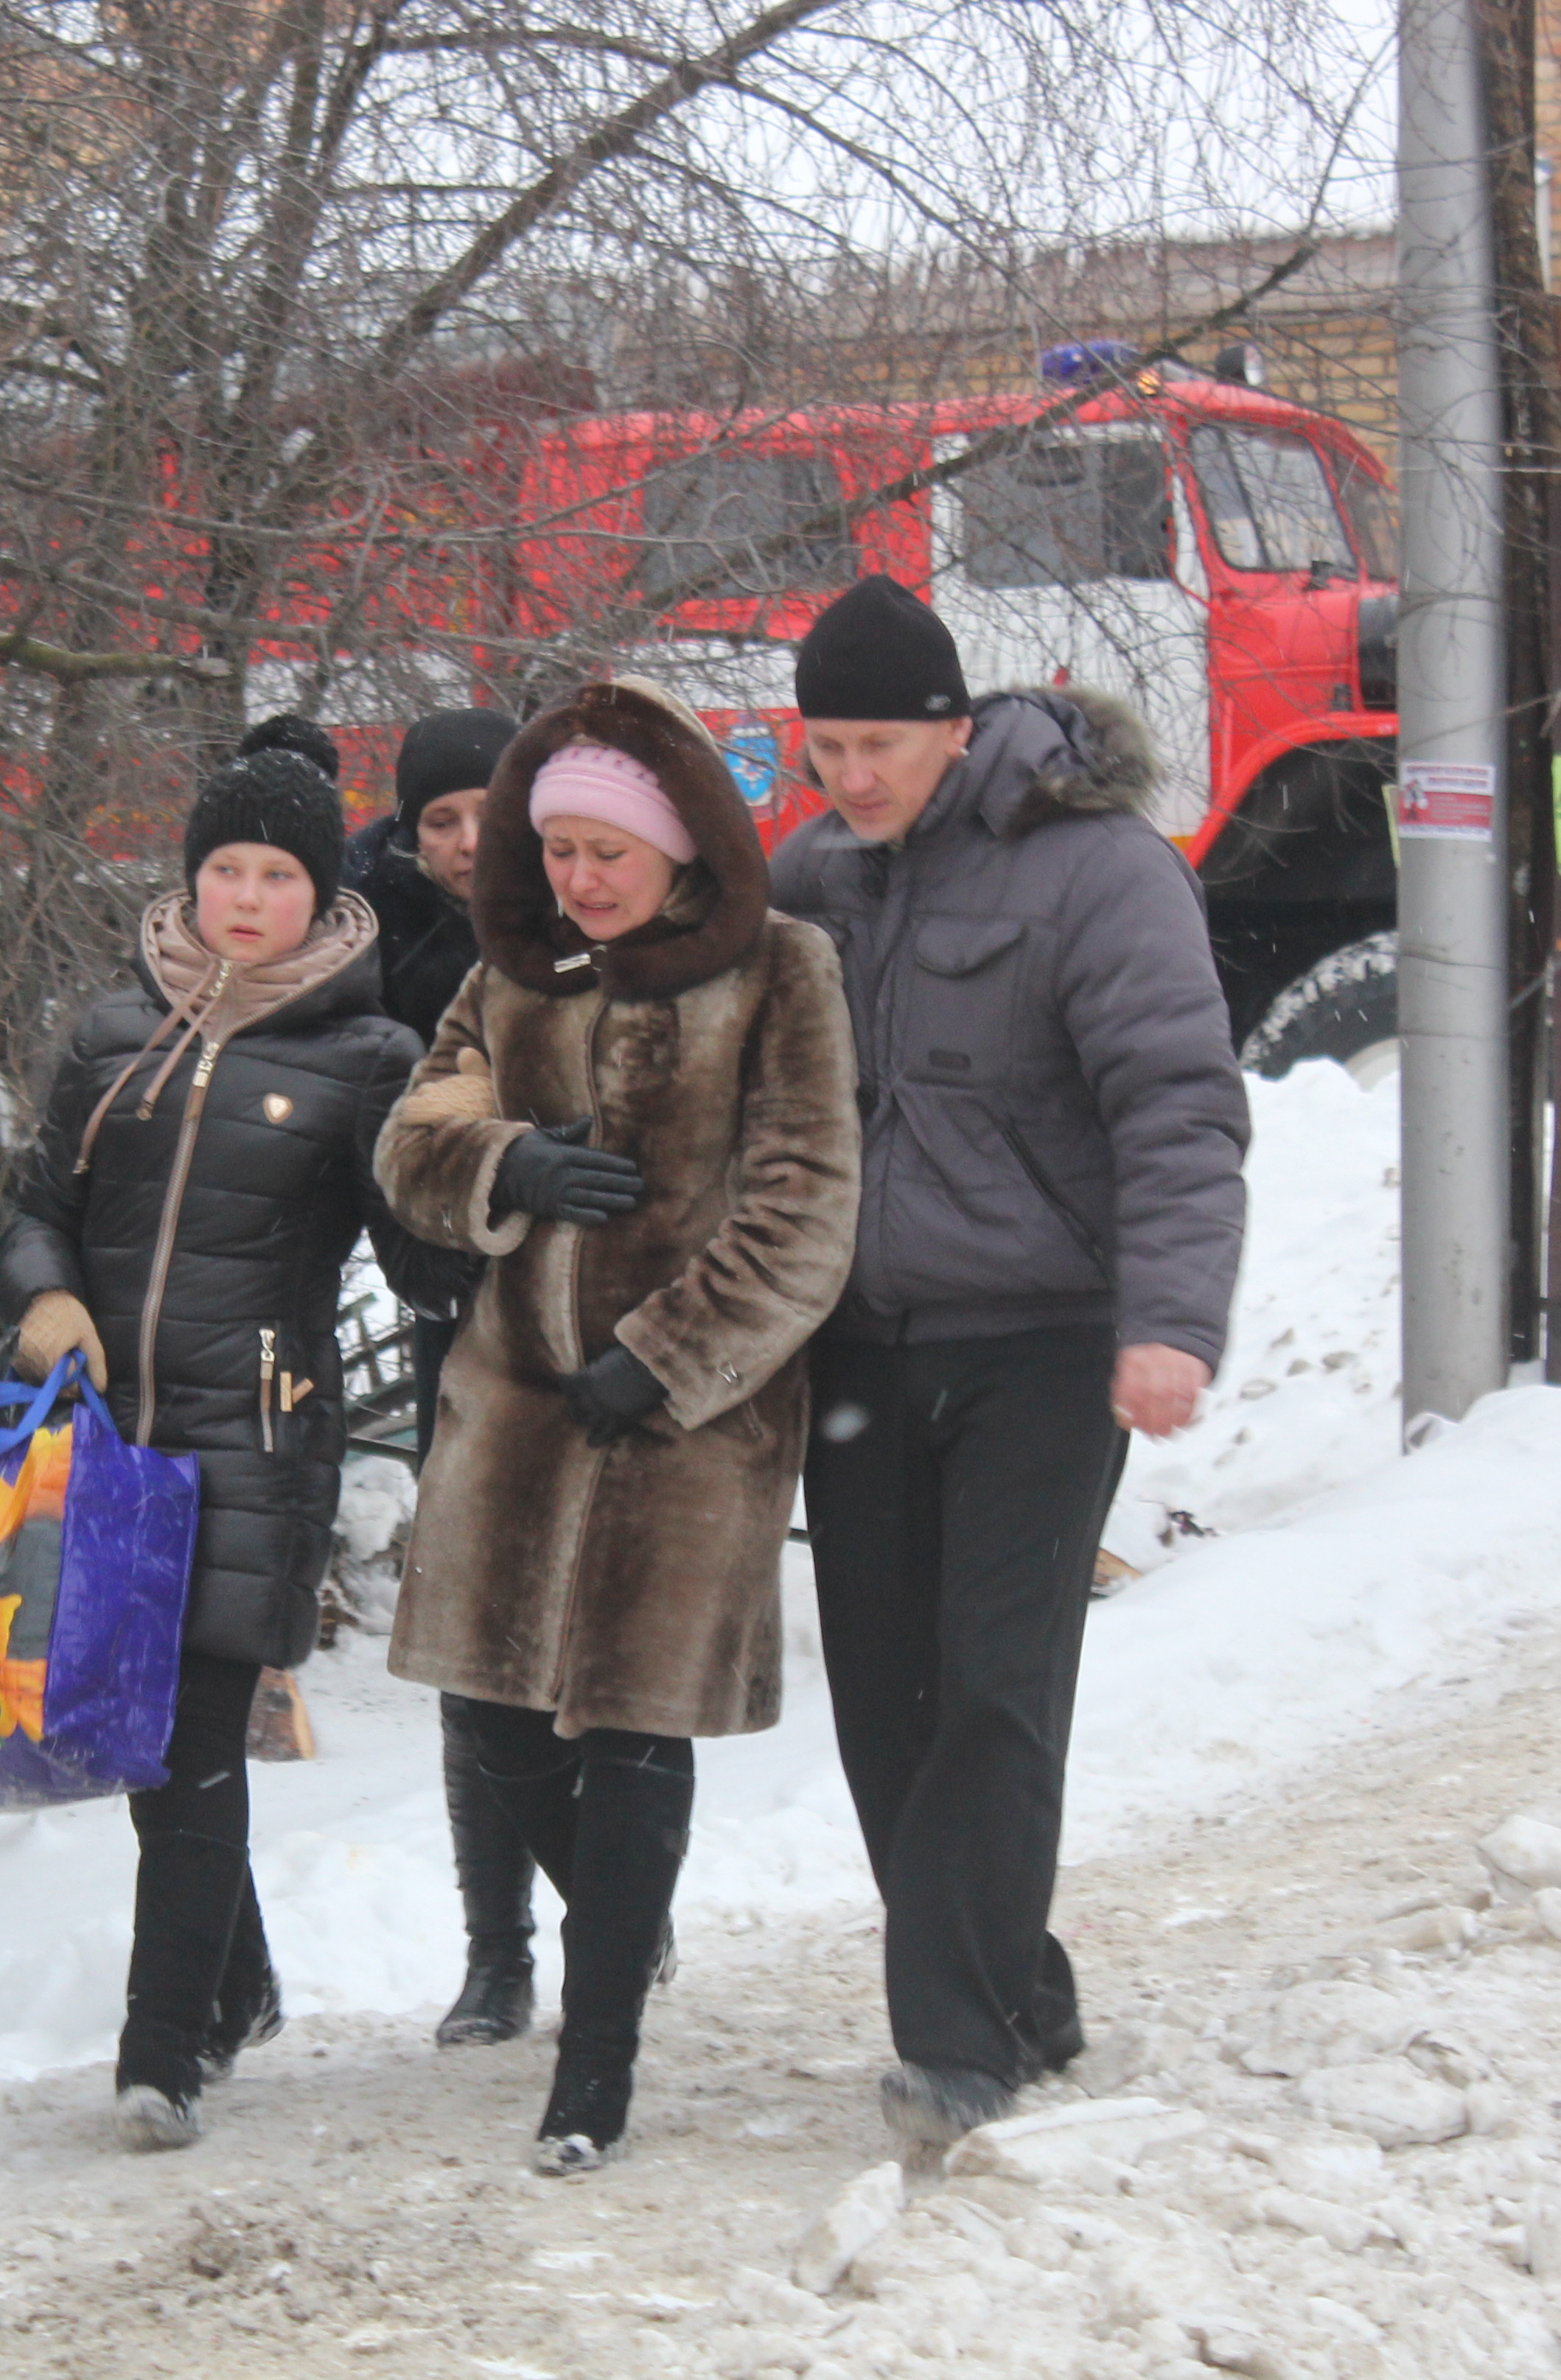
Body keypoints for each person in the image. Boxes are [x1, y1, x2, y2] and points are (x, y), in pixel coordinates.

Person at [763, 572, 1249, 2152]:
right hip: (862, 1348)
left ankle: (958, 2040)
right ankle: (1020, 1986)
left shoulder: (1097, 871)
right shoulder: (813, 879)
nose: (851, 778)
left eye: (879, 746)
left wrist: (1169, 1322)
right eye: (824, 746)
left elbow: (1177, 1102)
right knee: (887, 1710)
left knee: (992, 1686)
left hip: (1043, 1339)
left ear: (953, 731)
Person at [376, 677, 862, 2171]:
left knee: (641, 1731)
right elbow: (411, 1139)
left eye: (609, 851)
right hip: (513, 1412)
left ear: (679, 850)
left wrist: (667, 1360)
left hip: (687, 1432)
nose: (578, 879)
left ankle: (595, 2073)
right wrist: (507, 1165)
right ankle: (609, 1935)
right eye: (560, 848)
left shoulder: (781, 970)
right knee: (498, 1720)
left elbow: (806, 1200)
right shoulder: (507, 978)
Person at [0, 713, 425, 2149]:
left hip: (257, 1434)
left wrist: (487, 1173)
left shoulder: (371, 1055)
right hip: (104, 1445)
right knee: (138, 1747)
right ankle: (233, 1995)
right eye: (226, 868)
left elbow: (420, 1256)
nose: (247, 897)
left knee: (190, 1751)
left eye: (278, 876)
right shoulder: (115, 1035)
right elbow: (39, 1211)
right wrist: (44, 1301)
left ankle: (159, 2054)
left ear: (323, 895)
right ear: (192, 880)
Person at [346, 701, 553, 2048]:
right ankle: (496, 1952)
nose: (468, 841)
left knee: (595, 1630)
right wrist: (413, 1246)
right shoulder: (373, 947)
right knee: (478, 1636)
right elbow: (359, 1113)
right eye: (441, 822)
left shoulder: (599, 888)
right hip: (457, 1313)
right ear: (412, 834)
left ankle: (620, 1897)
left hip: (597, 1310)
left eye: (488, 810)